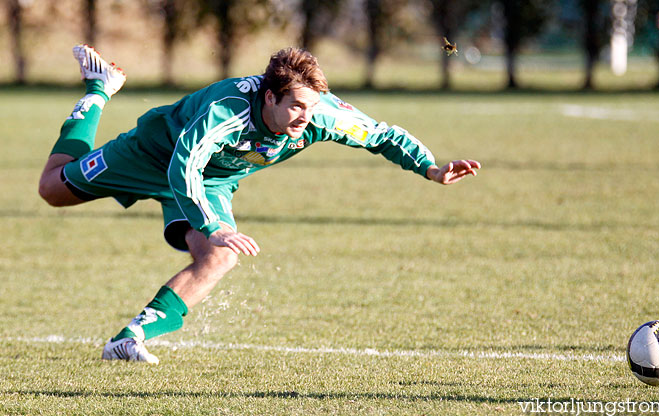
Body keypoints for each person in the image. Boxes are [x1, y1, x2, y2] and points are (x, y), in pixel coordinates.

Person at [39, 45, 481, 364]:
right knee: (52, 189)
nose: (306, 118)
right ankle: (100, 88)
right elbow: (183, 166)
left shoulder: (319, 113)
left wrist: (430, 167)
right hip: (154, 154)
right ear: (269, 97)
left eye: (312, 107)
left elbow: (383, 134)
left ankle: (131, 336)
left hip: (211, 180)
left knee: (221, 257)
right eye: (297, 107)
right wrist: (212, 224)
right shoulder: (226, 109)